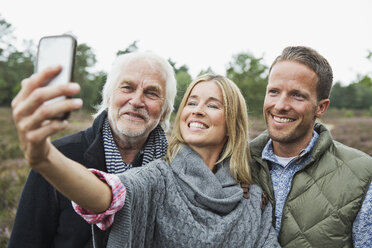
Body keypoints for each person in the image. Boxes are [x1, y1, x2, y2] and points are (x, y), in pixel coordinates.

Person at [13, 73, 280, 247]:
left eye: (212, 105)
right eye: (192, 102)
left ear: (232, 123)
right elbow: (105, 195)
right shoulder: (158, 177)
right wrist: (45, 157)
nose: (197, 110)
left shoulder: (252, 198)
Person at [9, 52, 177, 247]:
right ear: (108, 98)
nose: (137, 101)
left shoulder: (175, 166)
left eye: (151, 93)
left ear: (164, 110)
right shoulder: (57, 156)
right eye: (127, 88)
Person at [250, 46, 372, 248]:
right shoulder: (235, 162)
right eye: (273, 91)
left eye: (297, 95)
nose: (280, 105)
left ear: (321, 107)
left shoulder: (363, 175)